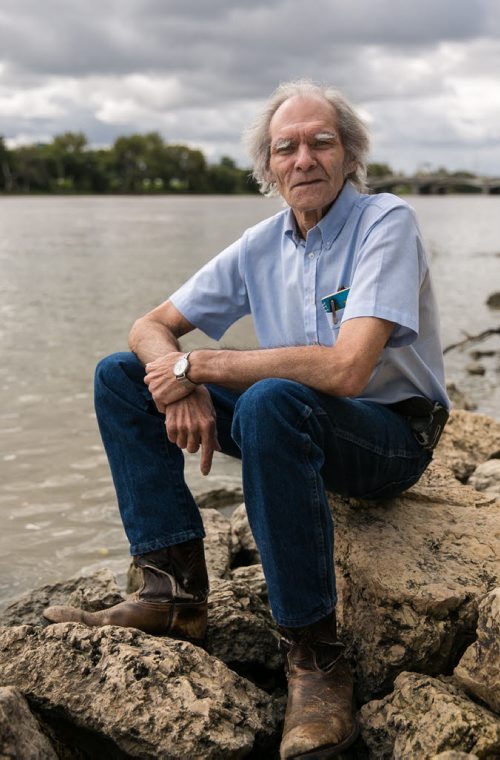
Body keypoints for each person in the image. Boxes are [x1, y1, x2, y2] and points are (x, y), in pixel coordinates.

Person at [44, 79, 449, 759]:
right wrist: (179, 382)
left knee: (266, 396)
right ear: (268, 168)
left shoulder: (387, 222)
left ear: (350, 156)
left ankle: (315, 660)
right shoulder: (261, 242)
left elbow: (349, 369)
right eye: (285, 148)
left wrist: (203, 368)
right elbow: (150, 326)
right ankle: (171, 589)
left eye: (321, 142)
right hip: (291, 419)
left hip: (389, 435)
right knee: (120, 375)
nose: (303, 159)